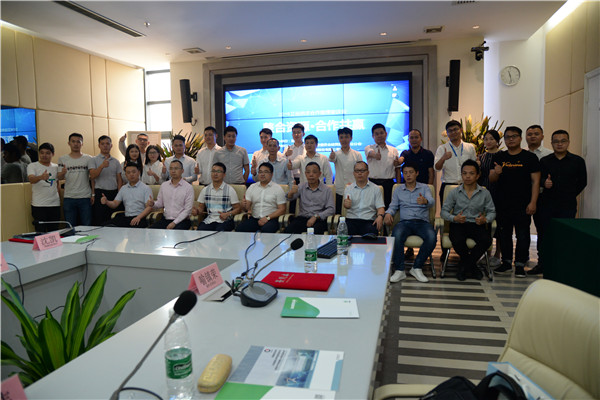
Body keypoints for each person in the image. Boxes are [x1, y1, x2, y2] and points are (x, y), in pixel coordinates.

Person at [530, 130, 587, 275]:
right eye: (556, 141)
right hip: (546, 204)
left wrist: (570, 194)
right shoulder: (545, 161)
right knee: (544, 235)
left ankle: (562, 266)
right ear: (551, 143)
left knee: (564, 235)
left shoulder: (578, 161)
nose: (559, 144)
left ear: (568, 142)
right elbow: (538, 179)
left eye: (563, 141)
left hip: (567, 205)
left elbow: (583, 182)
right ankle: (542, 264)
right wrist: (544, 182)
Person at [489, 126, 540, 277]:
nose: (511, 139)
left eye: (514, 136)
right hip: (503, 203)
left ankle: (519, 264)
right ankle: (506, 263)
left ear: (520, 138)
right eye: (507, 137)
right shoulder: (499, 157)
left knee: (522, 235)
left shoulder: (530, 157)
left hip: (523, 204)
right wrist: (496, 173)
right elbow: (491, 179)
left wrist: (533, 202)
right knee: (504, 234)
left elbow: (536, 182)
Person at [441, 160, 496, 281]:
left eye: (471, 173)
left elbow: (492, 212)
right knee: (457, 240)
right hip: (459, 223)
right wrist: (454, 218)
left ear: (477, 175)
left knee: (486, 240)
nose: (467, 176)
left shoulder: (484, 193)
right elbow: (443, 212)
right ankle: (472, 267)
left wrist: (485, 219)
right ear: (461, 175)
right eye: (464, 173)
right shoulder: (454, 192)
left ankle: (464, 266)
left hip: (477, 224)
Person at [384, 162, 436, 283]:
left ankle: (417, 267)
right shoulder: (398, 189)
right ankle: (400, 270)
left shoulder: (424, 188)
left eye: (411, 172)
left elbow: (432, 201)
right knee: (396, 235)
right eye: (405, 173)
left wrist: (425, 201)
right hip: (405, 222)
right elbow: (393, 206)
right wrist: (388, 213)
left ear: (417, 173)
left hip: (422, 222)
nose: (408, 175)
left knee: (432, 237)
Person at [525, 124, 552, 272]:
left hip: (543, 197)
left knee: (542, 229)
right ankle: (523, 258)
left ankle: (542, 261)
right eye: (530, 134)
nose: (533, 136)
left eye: (536, 134)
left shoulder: (549, 155)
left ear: (542, 136)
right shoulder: (522, 154)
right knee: (523, 229)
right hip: (523, 196)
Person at [434, 120, 477, 205]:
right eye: (450, 131)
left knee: (468, 211)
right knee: (447, 212)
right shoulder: (442, 148)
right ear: (447, 133)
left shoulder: (470, 147)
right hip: (448, 186)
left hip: (467, 186)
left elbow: (474, 168)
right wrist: (443, 158)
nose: (453, 132)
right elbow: (437, 168)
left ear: (461, 130)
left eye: (455, 129)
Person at [285, 162, 335, 234]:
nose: (311, 175)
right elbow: (289, 198)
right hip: (302, 218)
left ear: (320, 174)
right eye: (308, 172)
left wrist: (316, 216)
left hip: (318, 219)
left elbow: (331, 209)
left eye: (314, 172)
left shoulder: (327, 190)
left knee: (316, 231)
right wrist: (291, 192)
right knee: (288, 231)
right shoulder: (301, 187)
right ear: (305, 174)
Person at [236, 162, 286, 233]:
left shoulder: (277, 189)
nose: (262, 174)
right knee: (239, 229)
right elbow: (246, 208)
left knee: (266, 230)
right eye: (260, 172)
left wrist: (267, 218)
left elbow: (282, 209)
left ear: (271, 174)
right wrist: (243, 205)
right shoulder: (252, 187)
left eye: (266, 172)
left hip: (271, 219)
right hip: (255, 218)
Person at [477, 129, 502, 266]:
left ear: (497, 141)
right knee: (485, 224)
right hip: (483, 193)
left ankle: (498, 255)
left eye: (491, 139)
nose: (488, 141)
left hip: (498, 193)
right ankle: (487, 254)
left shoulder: (502, 156)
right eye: (486, 139)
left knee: (499, 225)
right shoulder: (481, 157)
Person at [101, 162, 153, 228]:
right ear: (125, 175)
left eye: (134, 172)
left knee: (133, 229)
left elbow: (149, 207)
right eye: (128, 173)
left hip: (140, 218)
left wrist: (138, 217)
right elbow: (115, 204)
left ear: (139, 172)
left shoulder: (146, 188)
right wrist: (107, 202)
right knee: (105, 226)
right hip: (126, 217)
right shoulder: (123, 188)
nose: (131, 174)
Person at [193, 162, 241, 231]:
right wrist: (197, 211)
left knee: (219, 233)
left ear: (224, 174)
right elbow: (201, 208)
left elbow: (238, 209)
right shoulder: (205, 190)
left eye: (218, 171)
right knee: (200, 231)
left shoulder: (229, 190)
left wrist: (228, 214)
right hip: (209, 220)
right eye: (213, 171)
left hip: (225, 221)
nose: (215, 174)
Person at [58, 132, 93, 227]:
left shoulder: (89, 158)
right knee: (70, 226)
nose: (76, 144)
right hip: (69, 197)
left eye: (78, 142)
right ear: (69, 143)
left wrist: (93, 194)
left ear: (82, 143)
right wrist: (63, 173)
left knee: (87, 226)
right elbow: (59, 177)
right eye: (73, 141)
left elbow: (93, 177)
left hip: (85, 197)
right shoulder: (62, 159)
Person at [147, 160, 194, 230]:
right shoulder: (164, 185)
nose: (173, 171)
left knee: (175, 233)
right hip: (166, 219)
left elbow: (187, 210)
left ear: (182, 171)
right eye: (171, 168)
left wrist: (174, 223)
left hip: (182, 220)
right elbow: (160, 203)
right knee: (151, 231)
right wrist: (153, 204)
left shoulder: (188, 188)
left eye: (176, 168)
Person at [343, 161, 385, 236]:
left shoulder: (376, 189)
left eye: (362, 171)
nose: (359, 173)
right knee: (344, 232)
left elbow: (380, 207)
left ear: (368, 172)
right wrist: (346, 205)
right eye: (357, 171)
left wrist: (380, 216)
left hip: (368, 221)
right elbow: (346, 205)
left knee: (371, 232)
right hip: (351, 220)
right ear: (354, 173)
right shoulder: (348, 188)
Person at [365, 123, 401, 209]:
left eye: (381, 133)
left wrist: (398, 185)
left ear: (386, 133)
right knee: (373, 208)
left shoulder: (393, 150)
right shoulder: (369, 147)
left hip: (389, 184)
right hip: (373, 183)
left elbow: (397, 169)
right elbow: (370, 153)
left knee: (389, 208)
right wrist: (375, 155)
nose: (379, 136)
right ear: (373, 136)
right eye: (376, 134)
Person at [89, 135, 123, 226]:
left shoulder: (116, 161)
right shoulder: (93, 160)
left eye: (107, 144)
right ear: (99, 145)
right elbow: (92, 176)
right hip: (100, 192)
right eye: (102, 144)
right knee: (100, 219)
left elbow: (119, 179)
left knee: (113, 219)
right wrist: (101, 166)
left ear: (111, 145)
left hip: (114, 193)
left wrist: (120, 194)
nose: (105, 146)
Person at [27, 142, 60, 232]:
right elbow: (31, 179)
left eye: (47, 153)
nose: (44, 155)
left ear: (53, 154)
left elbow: (57, 185)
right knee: (40, 232)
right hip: (39, 205)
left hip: (54, 204)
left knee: (54, 231)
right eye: (42, 153)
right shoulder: (32, 166)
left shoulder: (56, 167)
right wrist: (41, 177)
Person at [329, 127, 363, 213]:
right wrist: (332, 156)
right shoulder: (335, 154)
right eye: (341, 137)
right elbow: (331, 159)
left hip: (354, 188)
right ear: (339, 139)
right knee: (339, 212)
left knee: (354, 212)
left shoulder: (357, 154)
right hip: (339, 189)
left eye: (346, 137)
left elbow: (361, 170)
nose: (344, 140)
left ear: (351, 138)